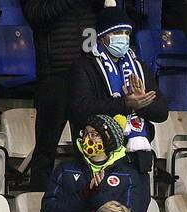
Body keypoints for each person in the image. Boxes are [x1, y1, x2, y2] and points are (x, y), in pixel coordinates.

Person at [66, 7, 167, 171]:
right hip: (99, 157)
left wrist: (143, 103)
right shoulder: (84, 66)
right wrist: (126, 104)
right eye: (118, 32)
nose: (124, 38)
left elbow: (162, 112)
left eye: (127, 33)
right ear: (103, 37)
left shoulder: (139, 67)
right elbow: (80, 109)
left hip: (137, 159)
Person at [21, 0, 100, 190]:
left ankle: (87, 194)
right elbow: (35, 15)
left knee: (88, 144)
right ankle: (38, 199)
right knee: (46, 146)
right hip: (54, 75)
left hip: (87, 73)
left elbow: (100, 12)